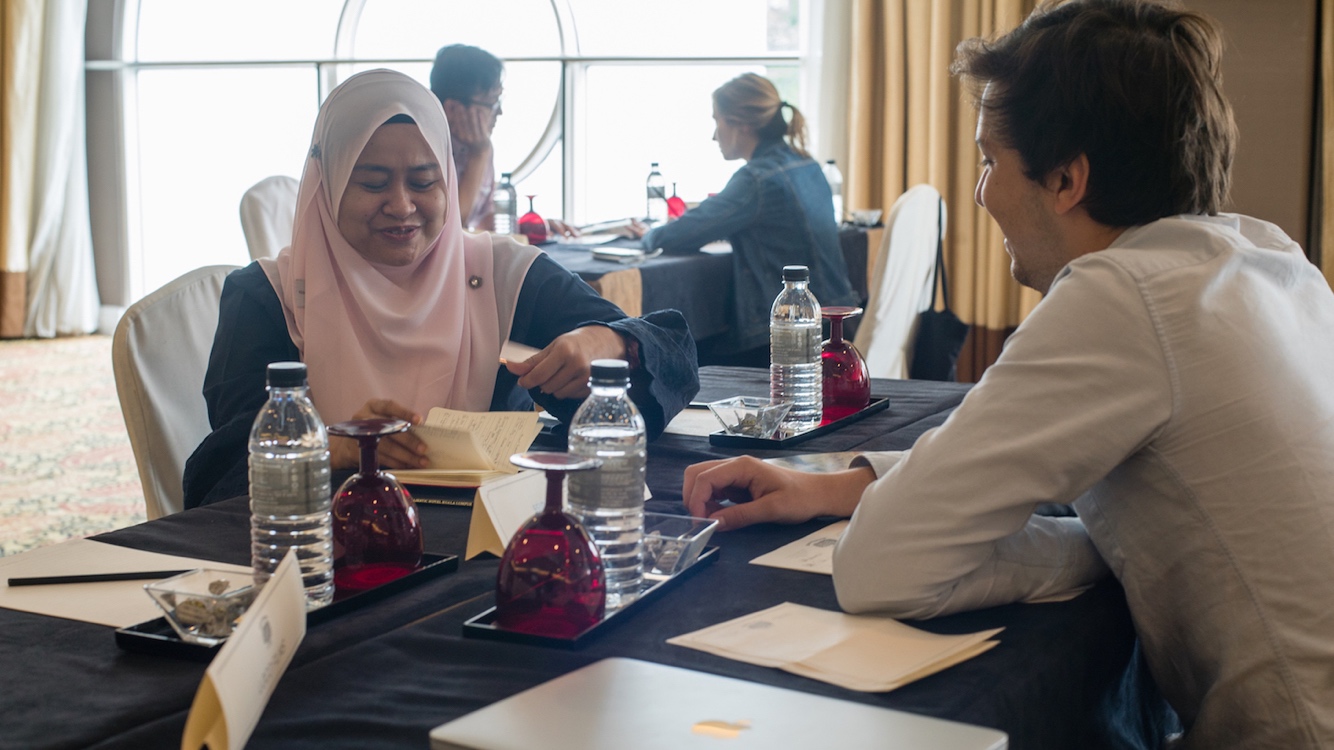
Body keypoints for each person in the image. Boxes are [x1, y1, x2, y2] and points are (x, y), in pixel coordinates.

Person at [681, 2, 1334, 747]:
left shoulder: (1121, 296)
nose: (981, 193)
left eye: (990, 161)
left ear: (1067, 178)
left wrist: (1099, 555)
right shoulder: (1267, 255)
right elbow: (1030, 465)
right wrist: (832, 487)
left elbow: (879, 567)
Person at [184, 69, 698, 508]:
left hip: (491, 543)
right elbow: (220, 473)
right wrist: (334, 446)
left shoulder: (499, 274)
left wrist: (608, 341)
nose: (402, 205)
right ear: (327, 184)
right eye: (373, 183)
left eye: (424, 181)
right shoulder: (268, 297)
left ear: (449, 181)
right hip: (334, 550)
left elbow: (672, 349)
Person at [628, 73, 859, 365]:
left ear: (743, 124)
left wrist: (649, 234)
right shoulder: (807, 165)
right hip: (834, 326)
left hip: (786, 339)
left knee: (676, 352)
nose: (714, 135)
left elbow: (684, 233)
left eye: (718, 121)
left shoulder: (756, 180)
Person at [428, 44, 577, 238]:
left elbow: (485, 220)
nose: (499, 111)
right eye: (491, 102)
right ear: (452, 109)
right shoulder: (426, 151)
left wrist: (533, 226)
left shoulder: (481, 146)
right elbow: (450, 227)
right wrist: (478, 155)